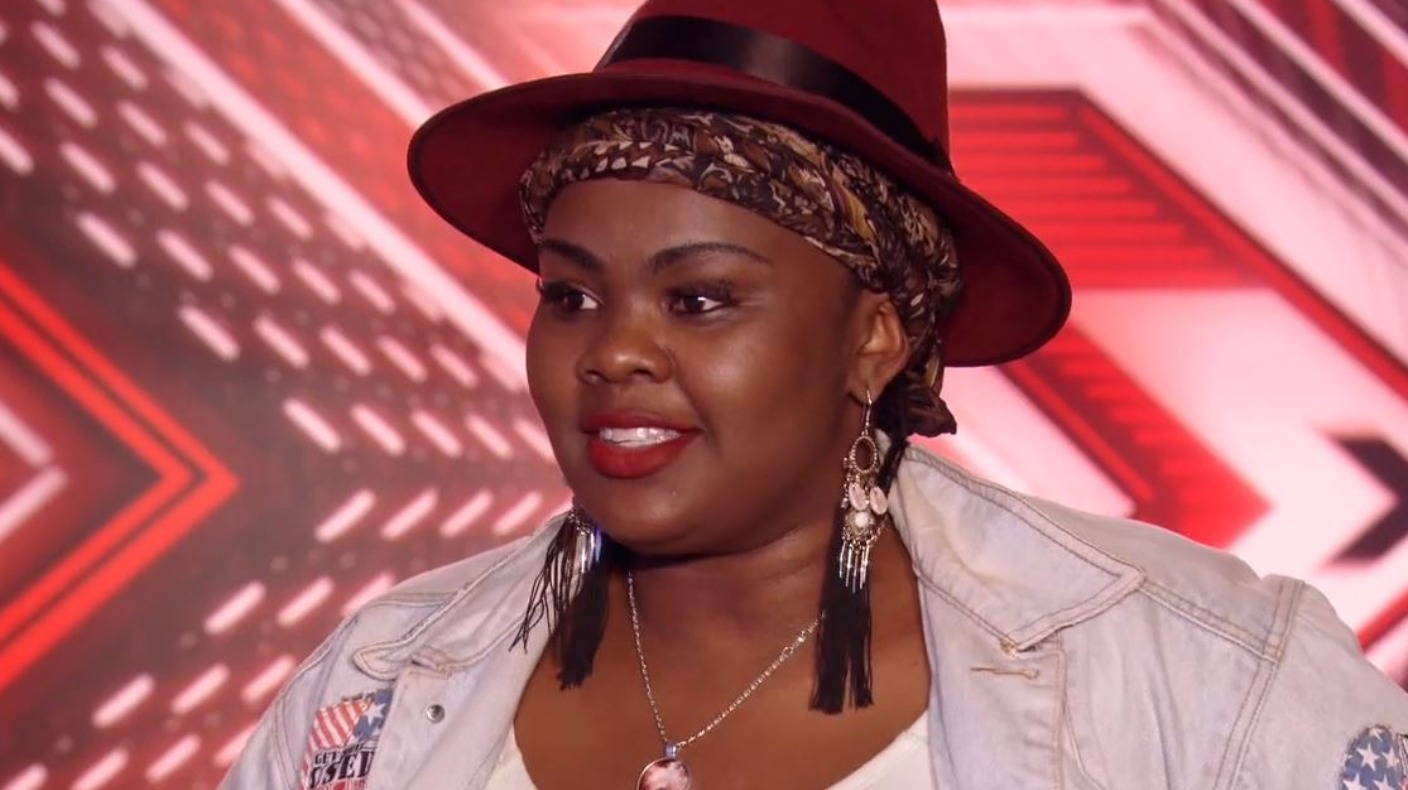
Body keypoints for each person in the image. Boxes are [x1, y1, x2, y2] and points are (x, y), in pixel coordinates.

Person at [221, 0, 1408, 787]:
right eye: (570, 295)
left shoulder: (1200, 677)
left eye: (699, 299)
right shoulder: (376, 686)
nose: (612, 354)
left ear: (874, 339)